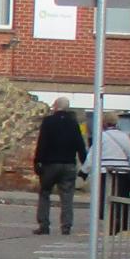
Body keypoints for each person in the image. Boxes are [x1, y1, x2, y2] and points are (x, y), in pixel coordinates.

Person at [34, 97, 87, 235]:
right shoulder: (73, 123)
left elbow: (42, 143)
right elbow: (80, 145)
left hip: (50, 164)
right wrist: (84, 163)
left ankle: (44, 225)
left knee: (45, 193)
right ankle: (66, 226)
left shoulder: (48, 122)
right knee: (67, 196)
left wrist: (37, 161)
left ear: (56, 106)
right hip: (68, 164)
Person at [95, 112, 130, 234]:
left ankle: (110, 222)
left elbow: (92, 155)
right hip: (122, 172)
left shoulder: (101, 137)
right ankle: (122, 222)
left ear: (104, 123)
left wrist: (84, 171)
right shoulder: (124, 137)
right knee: (121, 197)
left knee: (106, 199)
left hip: (105, 172)